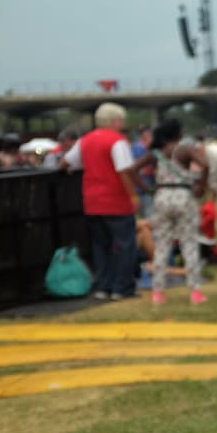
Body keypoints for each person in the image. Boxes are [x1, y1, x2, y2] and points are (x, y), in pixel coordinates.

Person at [62, 102, 141, 300]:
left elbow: (65, 162)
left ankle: (104, 286)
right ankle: (122, 288)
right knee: (124, 245)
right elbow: (124, 170)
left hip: (93, 201)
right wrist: (133, 195)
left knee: (101, 246)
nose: (123, 123)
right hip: (116, 201)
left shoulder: (85, 140)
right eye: (121, 120)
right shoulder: (117, 141)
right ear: (114, 121)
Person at [134, 120, 208, 305]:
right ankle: (195, 291)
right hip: (183, 196)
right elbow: (205, 165)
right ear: (177, 134)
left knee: (162, 244)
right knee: (189, 244)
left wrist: (147, 188)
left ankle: (158, 292)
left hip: (162, 196)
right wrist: (201, 186)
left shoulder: (156, 153)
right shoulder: (185, 149)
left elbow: (132, 170)